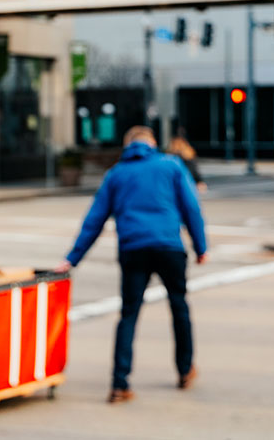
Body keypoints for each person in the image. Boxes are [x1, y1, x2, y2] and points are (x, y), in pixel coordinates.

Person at [55, 125, 208, 404]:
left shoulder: (116, 174)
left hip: (133, 249)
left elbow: (94, 220)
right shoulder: (171, 165)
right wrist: (201, 247)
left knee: (128, 314)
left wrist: (72, 258)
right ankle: (185, 370)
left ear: (127, 146)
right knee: (179, 306)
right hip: (169, 247)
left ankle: (119, 383)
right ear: (151, 143)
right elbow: (191, 207)